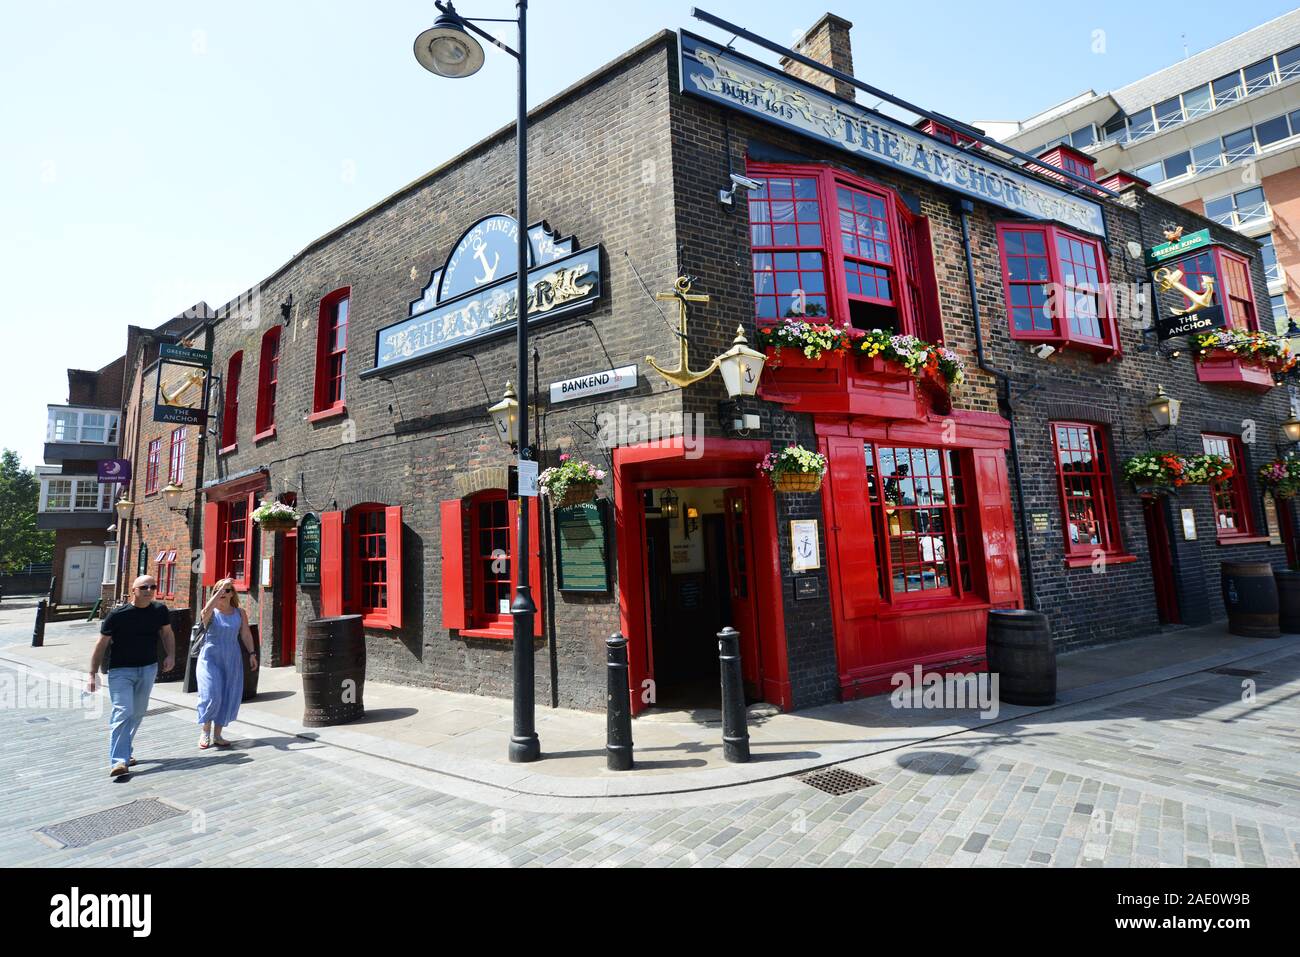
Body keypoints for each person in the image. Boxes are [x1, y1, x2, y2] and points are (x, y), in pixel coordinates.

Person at [88, 576, 175, 778]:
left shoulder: (160, 610)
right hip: (121, 671)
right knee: (123, 711)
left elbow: (167, 633)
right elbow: (101, 644)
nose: (149, 590)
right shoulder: (118, 615)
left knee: (138, 712)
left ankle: (125, 749)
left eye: (153, 587)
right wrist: (92, 674)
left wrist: (171, 655)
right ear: (134, 590)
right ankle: (119, 761)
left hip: (148, 668)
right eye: (144, 587)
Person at [196, 578, 258, 749]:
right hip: (210, 658)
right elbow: (204, 612)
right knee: (211, 694)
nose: (223, 593)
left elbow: (245, 634)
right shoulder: (211, 611)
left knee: (227, 695)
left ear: (232, 594)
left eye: (227, 590)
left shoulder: (240, 613)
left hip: (231, 658)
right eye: (219, 590)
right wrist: (220, 590)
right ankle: (205, 731)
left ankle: (217, 735)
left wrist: (252, 653)